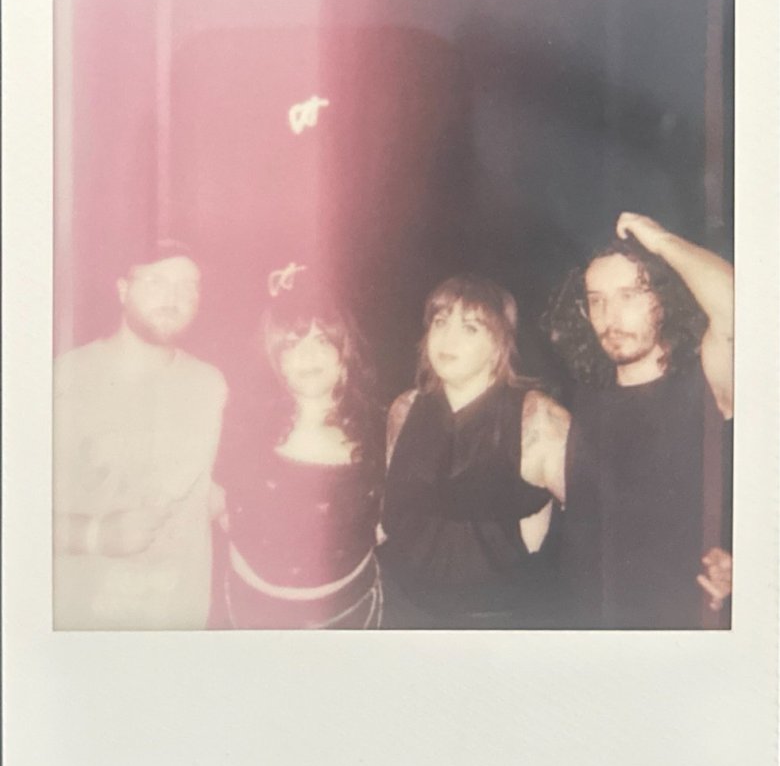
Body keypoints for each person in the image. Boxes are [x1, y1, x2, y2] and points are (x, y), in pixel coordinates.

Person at [546, 212, 733, 628]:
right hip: (589, 629)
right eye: (596, 300)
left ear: (663, 299)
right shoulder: (587, 394)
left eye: (629, 294)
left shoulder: (705, 381)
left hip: (676, 628)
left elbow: (740, 308)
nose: (610, 315)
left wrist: (660, 240)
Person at [53, 240, 228, 630]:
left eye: (188, 285)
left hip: (182, 618)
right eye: (157, 281)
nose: (174, 297)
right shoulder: (63, 380)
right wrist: (95, 535)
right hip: (86, 623)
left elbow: (206, 492)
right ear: (122, 290)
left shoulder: (210, 384)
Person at [379, 274, 570, 629]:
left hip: (498, 622)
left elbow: (598, 524)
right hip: (402, 611)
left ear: (499, 345)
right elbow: (389, 514)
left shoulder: (538, 418)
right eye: (440, 322)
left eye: (469, 328)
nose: (448, 338)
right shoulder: (404, 409)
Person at [213, 265, 384, 629]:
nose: (309, 356)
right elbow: (217, 502)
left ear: (344, 355)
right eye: (293, 343)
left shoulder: (380, 429)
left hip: (350, 612)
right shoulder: (239, 425)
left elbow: (389, 518)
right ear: (274, 359)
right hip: (250, 610)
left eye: (322, 341)